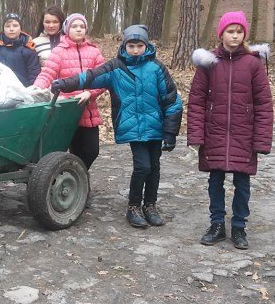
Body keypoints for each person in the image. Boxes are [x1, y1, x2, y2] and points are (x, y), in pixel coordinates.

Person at [51, 24, 182, 228]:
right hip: (133, 127)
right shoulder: (116, 67)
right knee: (143, 167)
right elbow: (90, 76)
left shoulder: (156, 67)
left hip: (155, 126)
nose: (135, 50)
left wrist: (170, 132)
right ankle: (133, 207)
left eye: (139, 46)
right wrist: (66, 83)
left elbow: (172, 99)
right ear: (124, 46)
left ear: (146, 45)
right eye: (131, 46)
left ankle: (150, 205)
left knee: (154, 167)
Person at [187, 11, 273, 250]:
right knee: (215, 181)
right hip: (213, 133)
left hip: (244, 135)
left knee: (242, 183)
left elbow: (263, 104)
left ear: (244, 34)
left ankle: (238, 226)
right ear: (221, 34)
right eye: (230, 31)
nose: (235, 36)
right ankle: (216, 224)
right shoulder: (208, 64)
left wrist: (261, 140)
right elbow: (196, 101)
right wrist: (196, 134)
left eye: (239, 31)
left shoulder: (254, 64)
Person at [34, 13, 105, 181]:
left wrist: (90, 93)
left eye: (82, 26)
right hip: (67, 110)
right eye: (74, 26)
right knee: (70, 151)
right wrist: (35, 89)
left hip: (88, 110)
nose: (78, 29)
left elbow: (104, 78)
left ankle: (77, 177)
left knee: (92, 150)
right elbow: (47, 74)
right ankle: (73, 182)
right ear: (67, 29)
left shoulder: (94, 51)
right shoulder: (59, 51)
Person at [0, 12, 40, 86]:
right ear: (3, 28)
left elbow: (34, 75)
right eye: (7, 26)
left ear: (20, 28)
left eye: (15, 26)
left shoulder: (28, 49)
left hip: (21, 90)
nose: (11, 29)